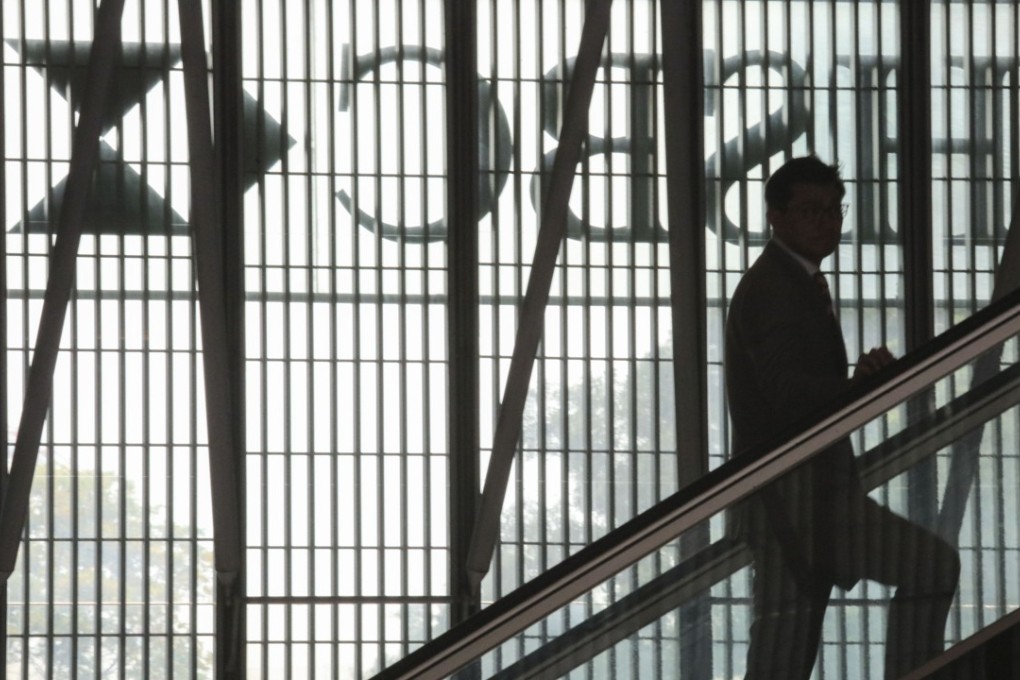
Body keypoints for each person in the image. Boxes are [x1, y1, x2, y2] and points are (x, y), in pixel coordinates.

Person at [724, 156, 960, 679]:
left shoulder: (794, 282)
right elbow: (786, 393)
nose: (827, 223)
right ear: (775, 217)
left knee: (784, 654)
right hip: (796, 506)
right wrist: (856, 389)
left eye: (834, 211)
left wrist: (855, 387)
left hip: (808, 504)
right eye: (811, 211)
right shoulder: (773, 289)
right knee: (784, 653)